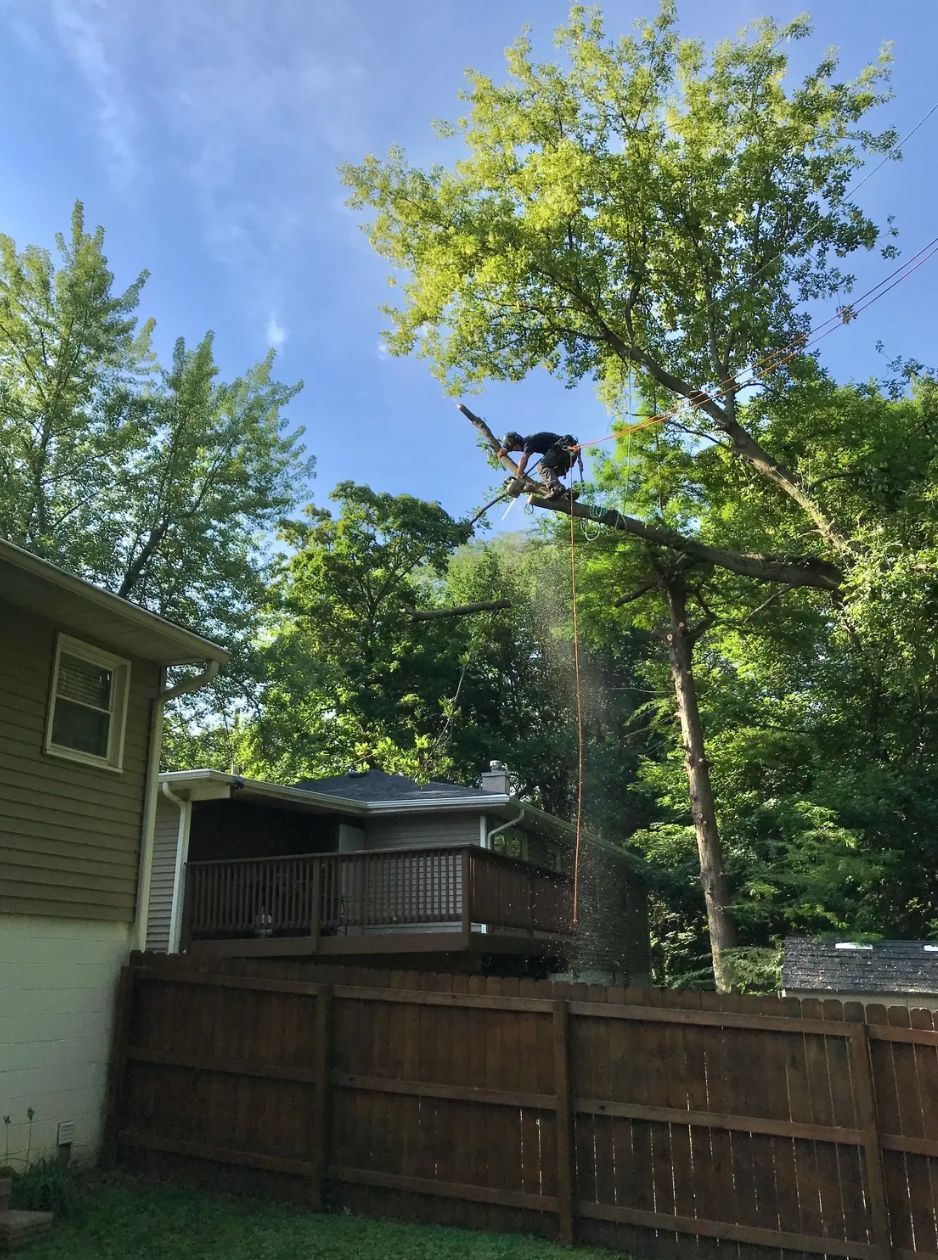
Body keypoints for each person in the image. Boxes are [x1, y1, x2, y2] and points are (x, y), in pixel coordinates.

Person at [497, 431, 580, 498]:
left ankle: (556, 489)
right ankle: (566, 493)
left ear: (517, 443)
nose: (516, 450)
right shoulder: (528, 442)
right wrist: (506, 450)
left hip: (562, 448)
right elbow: (520, 450)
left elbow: (524, 458)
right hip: (569, 453)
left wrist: (518, 476)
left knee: (541, 467)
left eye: (514, 447)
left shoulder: (529, 441)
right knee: (547, 479)